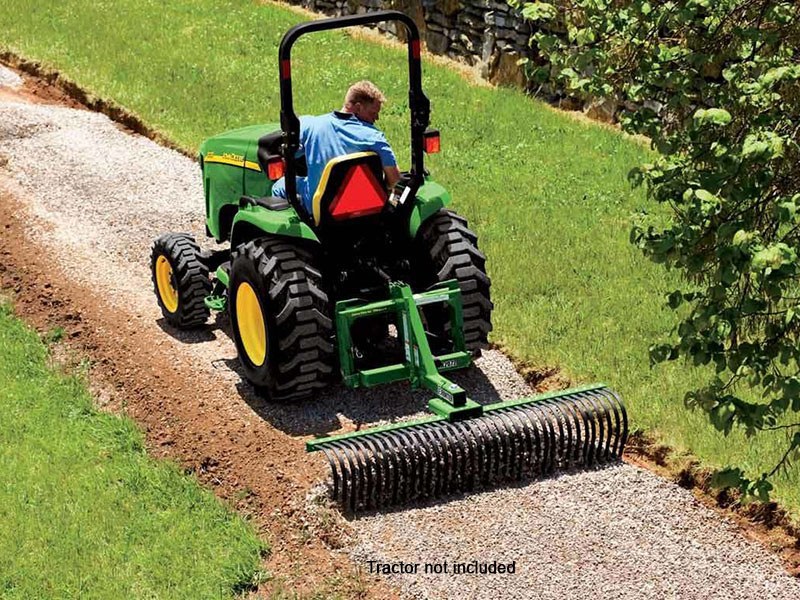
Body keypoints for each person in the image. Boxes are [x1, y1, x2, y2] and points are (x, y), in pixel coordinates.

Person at [271, 80, 401, 216]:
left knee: (279, 186)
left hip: (321, 209)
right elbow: (394, 178)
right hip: (363, 204)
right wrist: (381, 189)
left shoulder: (310, 125)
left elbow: (290, 152)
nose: (377, 118)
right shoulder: (375, 137)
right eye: (373, 113)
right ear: (358, 107)